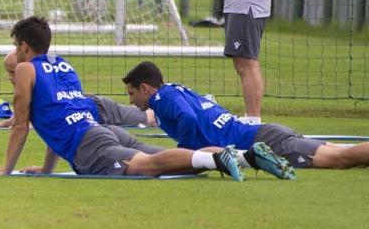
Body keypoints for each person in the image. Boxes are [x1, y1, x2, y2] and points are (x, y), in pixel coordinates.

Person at [0, 17, 252, 180]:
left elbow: (22, 125)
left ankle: (222, 159)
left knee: (146, 167)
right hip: (102, 131)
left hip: (90, 145)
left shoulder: (26, 69)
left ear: (24, 46)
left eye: (16, 46)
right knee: (177, 160)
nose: (16, 52)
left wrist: (6, 169)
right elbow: (57, 120)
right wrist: (47, 169)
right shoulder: (64, 66)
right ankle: (244, 157)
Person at [123, 60, 369, 171]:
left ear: (145, 88)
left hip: (261, 142)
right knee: (343, 153)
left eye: (132, 93)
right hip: (264, 134)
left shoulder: (161, 99)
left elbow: (188, 118)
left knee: (342, 158)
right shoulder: (175, 90)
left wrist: (187, 152)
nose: (131, 100)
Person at [0, 51, 157, 129]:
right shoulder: (34, 80)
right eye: (8, 72)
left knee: (149, 119)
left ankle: (163, 104)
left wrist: (26, 125)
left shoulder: (42, 80)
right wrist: (4, 123)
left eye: (12, 72)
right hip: (85, 110)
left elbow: (49, 112)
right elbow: (26, 111)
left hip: (98, 109)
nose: (10, 77)